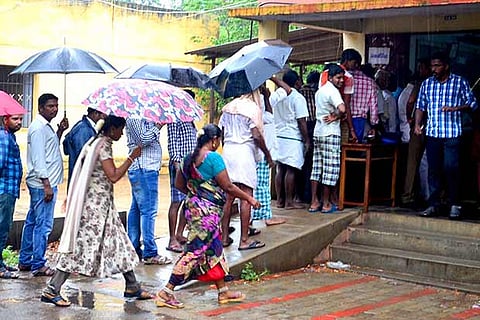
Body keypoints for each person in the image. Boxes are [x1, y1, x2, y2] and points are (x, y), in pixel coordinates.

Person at [41, 115, 154, 307]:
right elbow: (113, 175)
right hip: (94, 209)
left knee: (121, 244)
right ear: (112, 130)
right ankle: (52, 289)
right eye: (121, 129)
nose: (122, 133)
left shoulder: (94, 142)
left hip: (102, 206)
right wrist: (131, 157)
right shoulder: (103, 145)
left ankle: (132, 285)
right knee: (79, 249)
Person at [156, 124, 261, 309]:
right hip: (207, 215)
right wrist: (249, 199)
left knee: (215, 250)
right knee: (194, 252)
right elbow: (228, 186)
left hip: (194, 209)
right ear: (214, 140)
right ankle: (167, 291)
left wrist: (197, 193)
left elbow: (179, 185)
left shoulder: (187, 159)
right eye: (218, 140)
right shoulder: (213, 158)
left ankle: (223, 291)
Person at [415, 52, 478, 219]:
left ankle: (454, 204)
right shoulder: (427, 84)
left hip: (452, 134)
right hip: (433, 133)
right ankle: (433, 204)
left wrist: (455, 108)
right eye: (432, 66)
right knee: (433, 170)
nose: (434, 69)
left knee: (451, 168)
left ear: (446, 66)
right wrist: (416, 125)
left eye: (437, 66)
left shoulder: (459, 82)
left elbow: (472, 103)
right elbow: (420, 105)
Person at [19, 93, 69, 276]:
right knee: (43, 225)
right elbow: (39, 160)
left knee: (32, 221)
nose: (54, 109)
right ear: (40, 108)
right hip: (42, 185)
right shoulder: (38, 128)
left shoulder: (46, 127)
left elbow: (50, 148)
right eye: (50, 106)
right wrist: (47, 185)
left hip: (43, 184)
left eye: (56, 105)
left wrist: (60, 132)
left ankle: (25, 260)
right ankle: (38, 263)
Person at [219, 90, 273, 250]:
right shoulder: (251, 109)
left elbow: (222, 134)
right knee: (246, 196)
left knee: (228, 197)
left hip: (228, 151)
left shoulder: (227, 108)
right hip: (244, 152)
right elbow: (256, 135)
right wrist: (267, 154)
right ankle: (244, 240)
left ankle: (223, 238)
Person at [125, 118, 171, 265]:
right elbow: (142, 139)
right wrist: (158, 126)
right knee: (148, 211)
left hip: (145, 168)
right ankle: (150, 252)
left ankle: (134, 248)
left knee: (137, 209)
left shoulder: (145, 115)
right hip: (144, 167)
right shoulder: (134, 116)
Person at [270, 70, 310, 210]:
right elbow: (302, 121)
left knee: (280, 168)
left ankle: (280, 200)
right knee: (291, 170)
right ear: (297, 81)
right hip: (292, 137)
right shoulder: (297, 97)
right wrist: (307, 140)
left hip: (278, 135)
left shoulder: (277, 95)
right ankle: (289, 201)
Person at [309, 64, 346, 213]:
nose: (341, 80)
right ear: (330, 78)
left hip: (318, 133)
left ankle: (313, 202)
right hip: (330, 133)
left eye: (342, 77)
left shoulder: (320, 91)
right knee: (330, 170)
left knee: (316, 168)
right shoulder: (333, 91)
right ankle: (326, 204)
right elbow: (343, 108)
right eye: (338, 77)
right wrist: (336, 115)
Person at [166, 89, 197, 253]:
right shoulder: (175, 118)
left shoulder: (190, 118)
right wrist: (178, 168)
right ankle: (172, 238)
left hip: (189, 165)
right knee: (177, 202)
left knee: (188, 200)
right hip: (179, 165)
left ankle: (179, 233)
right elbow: (173, 144)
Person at [252, 85, 286, 226]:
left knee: (256, 185)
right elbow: (269, 117)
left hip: (254, 152)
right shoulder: (257, 109)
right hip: (261, 152)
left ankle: (255, 216)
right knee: (262, 185)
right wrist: (266, 96)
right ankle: (265, 216)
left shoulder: (237, 107)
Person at [400, 59, 431, 207]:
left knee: (413, 161)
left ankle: (408, 194)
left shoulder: (421, 84)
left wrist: (410, 118)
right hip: (430, 125)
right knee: (432, 161)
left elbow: (411, 101)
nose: (419, 70)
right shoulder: (428, 84)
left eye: (421, 67)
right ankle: (432, 195)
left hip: (419, 125)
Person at [0, 114, 24, 279]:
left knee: (4, 227)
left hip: (10, 189)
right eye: (15, 119)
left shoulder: (10, 136)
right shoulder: (4, 137)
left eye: (21, 119)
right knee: (2, 228)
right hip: (4, 190)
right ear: (5, 120)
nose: (19, 122)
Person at [63, 107, 105, 189]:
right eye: (102, 114)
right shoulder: (84, 129)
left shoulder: (85, 126)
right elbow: (83, 156)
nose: (103, 117)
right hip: (80, 179)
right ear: (96, 113)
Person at [299, 71, 320, 202]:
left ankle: (300, 195)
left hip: (300, 129)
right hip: (312, 127)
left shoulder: (299, 92)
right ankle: (308, 195)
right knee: (312, 164)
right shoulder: (316, 92)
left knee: (301, 165)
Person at [350, 64, 379, 143]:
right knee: (358, 148)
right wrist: (373, 125)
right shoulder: (370, 82)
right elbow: (374, 107)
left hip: (344, 118)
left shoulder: (345, 79)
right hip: (360, 121)